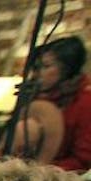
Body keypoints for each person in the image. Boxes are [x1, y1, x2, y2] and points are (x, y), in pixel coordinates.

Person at [36, 36, 91, 172]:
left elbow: (81, 160)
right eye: (37, 67)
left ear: (66, 69)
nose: (37, 74)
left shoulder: (86, 102)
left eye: (46, 66)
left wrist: (39, 173)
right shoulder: (41, 97)